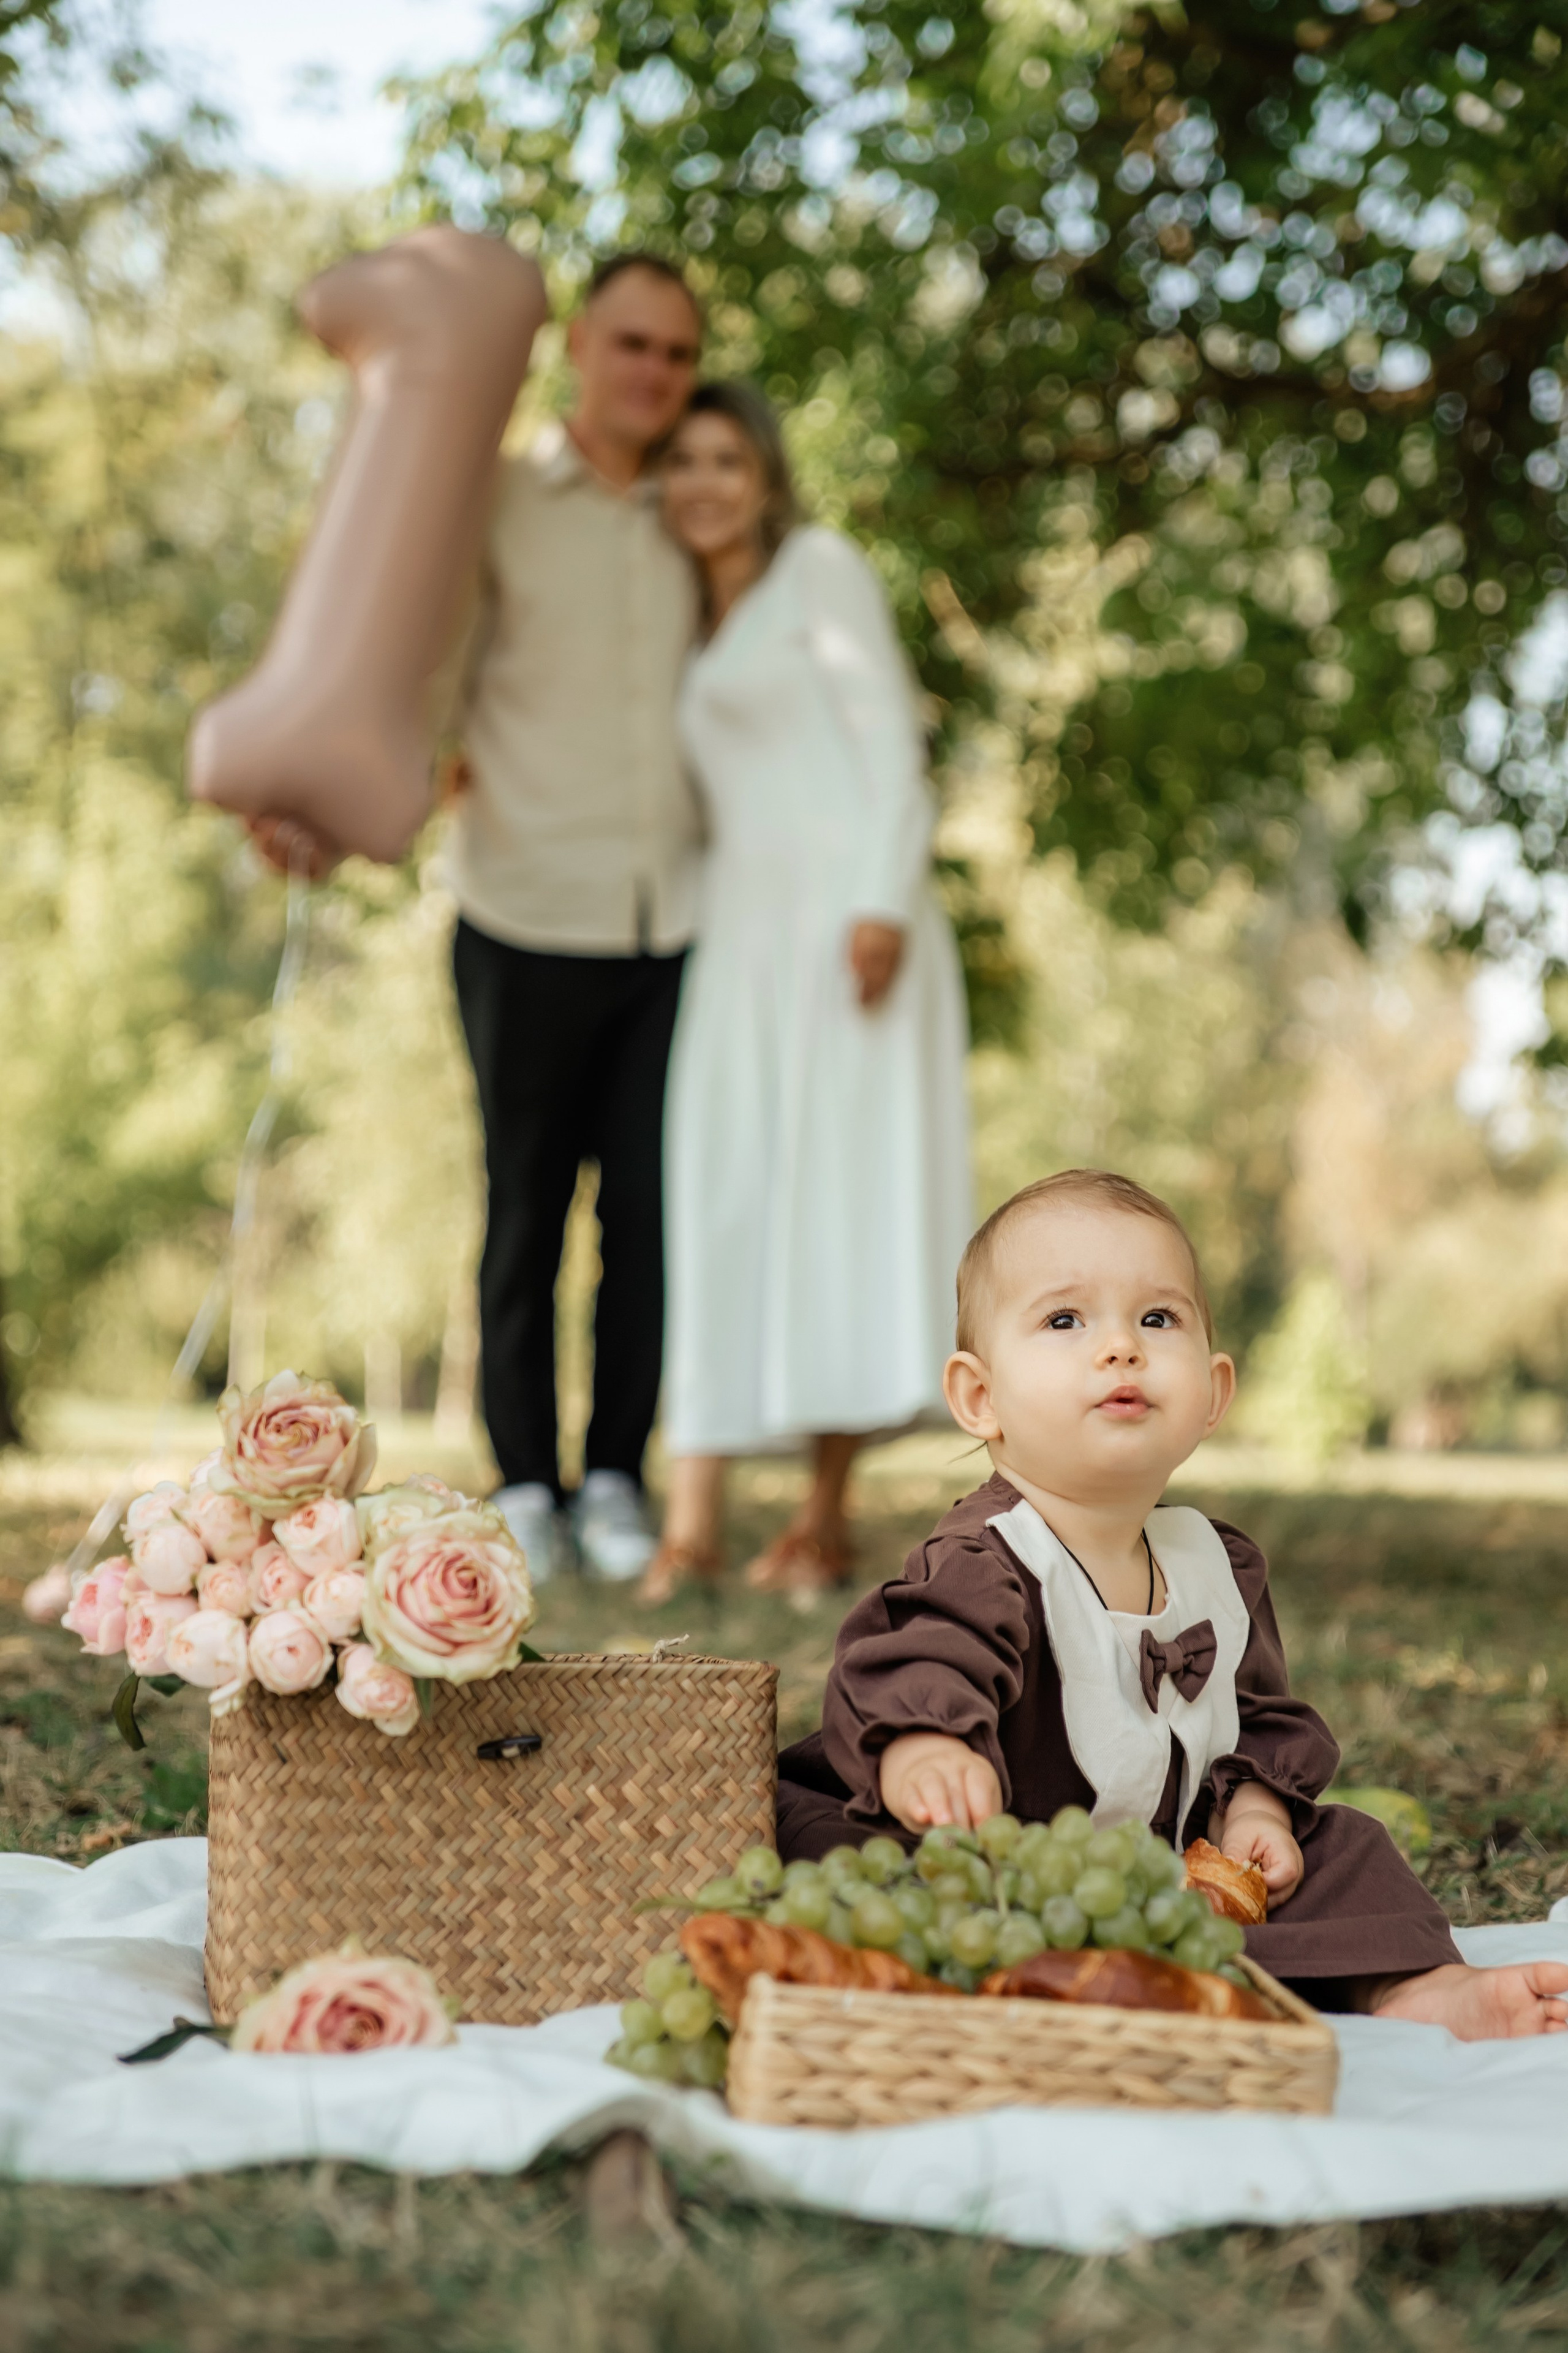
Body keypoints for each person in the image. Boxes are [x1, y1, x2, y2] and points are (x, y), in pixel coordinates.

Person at [775, 1168, 1568, 2037]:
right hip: (997, 1858)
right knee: (872, 1870)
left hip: (1166, 1868)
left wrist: (1256, 1810)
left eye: (1157, 1318)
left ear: (1214, 1393)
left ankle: (1416, 1987)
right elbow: (915, 1658)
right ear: (980, 1397)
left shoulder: (1216, 1565)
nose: (1120, 1347)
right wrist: (925, 1752)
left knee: (1345, 1850)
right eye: (1065, 1319)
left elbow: (1257, 1719)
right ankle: (1007, 1983)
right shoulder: (987, 1558)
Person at [639, 382, 972, 1604]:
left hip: (844, 926)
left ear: (767, 477)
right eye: (680, 462)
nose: (703, 483)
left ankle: (822, 1518)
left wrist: (882, 897)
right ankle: (692, 1522)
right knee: (724, 1195)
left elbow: (891, 739)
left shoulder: (820, 569)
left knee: (834, 1204)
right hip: (739, 938)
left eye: (726, 459)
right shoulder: (679, 612)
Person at [446, 255, 704, 1581]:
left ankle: (615, 1478)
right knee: (525, 1217)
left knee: (648, 1220)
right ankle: (524, 1487)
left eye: (675, 354)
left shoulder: (705, 510)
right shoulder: (490, 498)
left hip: (674, 922)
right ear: (579, 352)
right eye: (631, 345)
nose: (653, 374)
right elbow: (421, 662)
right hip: (519, 904)